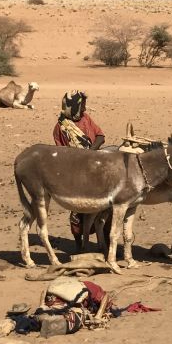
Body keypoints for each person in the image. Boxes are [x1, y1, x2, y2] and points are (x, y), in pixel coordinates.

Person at [52, 91, 105, 242]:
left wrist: (89, 153)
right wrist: (81, 159)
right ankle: (79, 245)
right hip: (75, 173)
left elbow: (100, 136)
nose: (84, 110)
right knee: (77, 210)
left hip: (94, 165)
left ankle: (104, 243)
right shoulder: (61, 128)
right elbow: (63, 154)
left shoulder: (86, 119)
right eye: (82, 106)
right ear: (72, 107)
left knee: (103, 208)